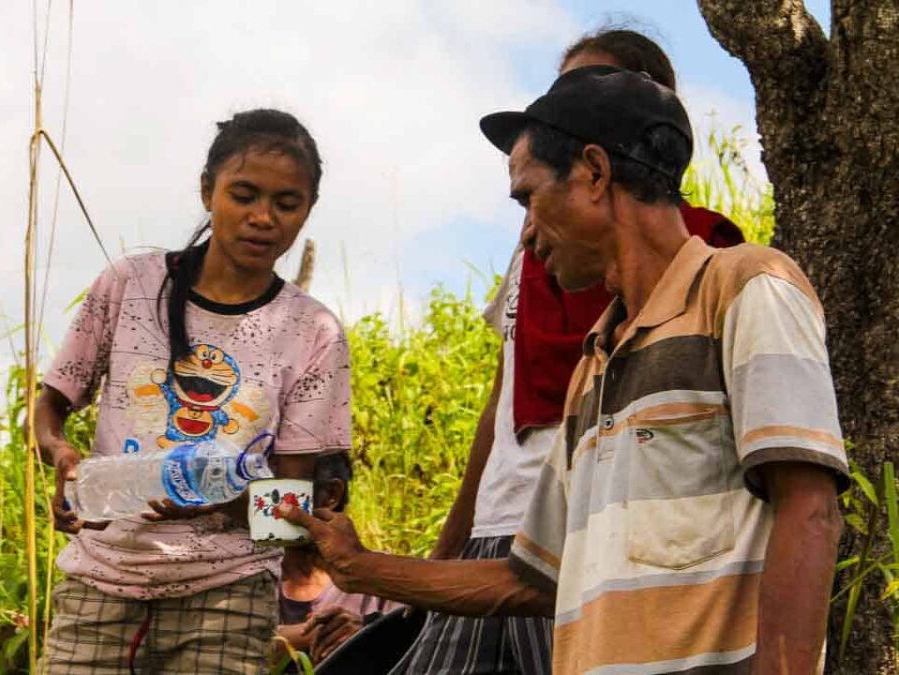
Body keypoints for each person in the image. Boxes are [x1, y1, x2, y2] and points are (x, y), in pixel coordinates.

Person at [284, 66, 847, 674]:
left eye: (528, 197)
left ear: (594, 173)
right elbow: (530, 580)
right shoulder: (594, 365)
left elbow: (809, 510)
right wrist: (357, 565)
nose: (526, 233)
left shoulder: (744, 287)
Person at [405, 29, 743, 675]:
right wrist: (442, 555)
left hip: (594, 538)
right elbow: (500, 408)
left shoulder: (703, 261)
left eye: (591, 91)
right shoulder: (539, 251)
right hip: (498, 528)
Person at [34, 108, 352, 674]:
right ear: (208, 191)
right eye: (244, 195)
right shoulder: (130, 285)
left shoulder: (314, 331)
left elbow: (290, 503)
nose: (263, 218)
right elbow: (52, 404)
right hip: (101, 582)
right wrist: (58, 453)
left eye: (286, 204)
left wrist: (216, 499)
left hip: (228, 594)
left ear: (307, 211)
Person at [273, 452, 399, 667]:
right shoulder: (247, 575)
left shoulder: (382, 578)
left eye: (282, 488)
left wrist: (365, 631)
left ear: (331, 494)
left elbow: (409, 641)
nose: (268, 503)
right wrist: (313, 634)